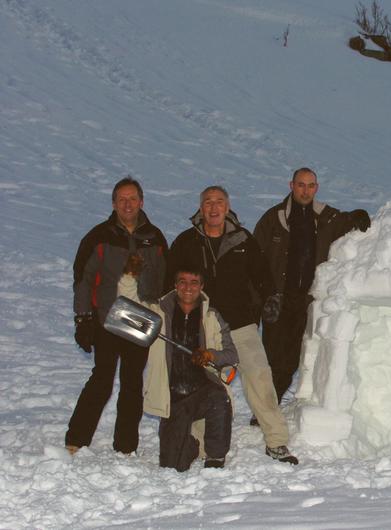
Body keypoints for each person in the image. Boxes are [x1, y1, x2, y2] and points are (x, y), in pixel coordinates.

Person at [167, 186, 297, 464]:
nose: (213, 208)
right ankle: (201, 446)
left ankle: (276, 441)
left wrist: (271, 297)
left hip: (241, 324)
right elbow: (170, 283)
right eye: (208, 203)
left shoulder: (243, 240)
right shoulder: (186, 242)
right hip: (203, 327)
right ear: (200, 208)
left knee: (260, 377)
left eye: (219, 202)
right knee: (205, 385)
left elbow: (262, 274)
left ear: (227, 207)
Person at [66, 176, 167, 455]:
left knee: (133, 382)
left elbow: (164, 281)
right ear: (113, 203)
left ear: (141, 202)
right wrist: (83, 318)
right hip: (106, 320)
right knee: (102, 379)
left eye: (132, 198)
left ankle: (126, 446)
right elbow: (83, 279)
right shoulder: (99, 236)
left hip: (140, 322)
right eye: (121, 199)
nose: (127, 204)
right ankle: (76, 439)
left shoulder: (154, 238)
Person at [253, 167, 371, 403]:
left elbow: (346, 223)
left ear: (316, 188)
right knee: (271, 356)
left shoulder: (326, 217)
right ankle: (266, 406)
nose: (305, 191)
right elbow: (254, 260)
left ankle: (269, 405)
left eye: (310, 186)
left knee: (291, 357)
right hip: (277, 300)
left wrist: (358, 215)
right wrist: (262, 297)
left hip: (305, 301)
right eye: (300, 185)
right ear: (291, 185)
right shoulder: (273, 219)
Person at [119, 257, 237, 471]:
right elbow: (127, 306)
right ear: (175, 285)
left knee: (220, 399)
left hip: (202, 390)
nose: (188, 287)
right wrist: (130, 276)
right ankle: (188, 444)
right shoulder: (157, 312)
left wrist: (210, 355)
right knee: (172, 466)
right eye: (182, 281)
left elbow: (231, 355)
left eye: (194, 282)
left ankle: (216, 456)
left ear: (202, 286)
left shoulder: (211, 316)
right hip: (172, 396)